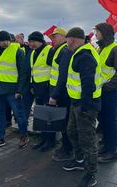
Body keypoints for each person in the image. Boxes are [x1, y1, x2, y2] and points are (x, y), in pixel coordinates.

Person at [62, 27, 102, 187]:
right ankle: (79, 160)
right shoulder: (79, 53)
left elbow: (88, 85)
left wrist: (85, 107)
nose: (67, 43)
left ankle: (91, 173)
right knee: (71, 131)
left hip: (85, 106)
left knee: (88, 139)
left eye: (67, 40)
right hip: (76, 103)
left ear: (72, 39)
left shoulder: (85, 55)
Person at [0, 30, 29, 149]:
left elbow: (23, 72)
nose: (6, 43)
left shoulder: (17, 50)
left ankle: (24, 135)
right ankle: (0, 138)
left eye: (7, 40)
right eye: (3, 40)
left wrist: (20, 90)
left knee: (19, 114)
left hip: (12, 90)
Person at [94, 23, 117, 163]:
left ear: (104, 33)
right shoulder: (101, 48)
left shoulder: (115, 49)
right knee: (103, 120)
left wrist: (107, 87)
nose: (95, 35)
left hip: (110, 92)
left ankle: (112, 151)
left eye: (97, 32)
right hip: (101, 91)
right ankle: (106, 145)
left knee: (111, 121)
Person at [48, 27, 73, 161]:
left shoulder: (65, 51)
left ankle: (68, 149)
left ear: (64, 37)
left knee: (66, 123)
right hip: (59, 92)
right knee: (63, 122)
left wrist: (55, 95)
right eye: (52, 37)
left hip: (63, 94)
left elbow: (62, 76)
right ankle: (65, 146)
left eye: (56, 36)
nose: (53, 39)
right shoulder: (58, 50)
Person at [28, 31, 55, 152]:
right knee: (41, 117)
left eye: (33, 41)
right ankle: (43, 139)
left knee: (49, 117)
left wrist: (53, 90)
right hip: (38, 90)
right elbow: (33, 71)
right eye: (30, 41)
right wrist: (32, 85)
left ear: (40, 41)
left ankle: (50, 141)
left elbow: (55, 71)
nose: (31, 44)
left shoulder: (50, 50)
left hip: (48, 90)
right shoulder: (33, 52)